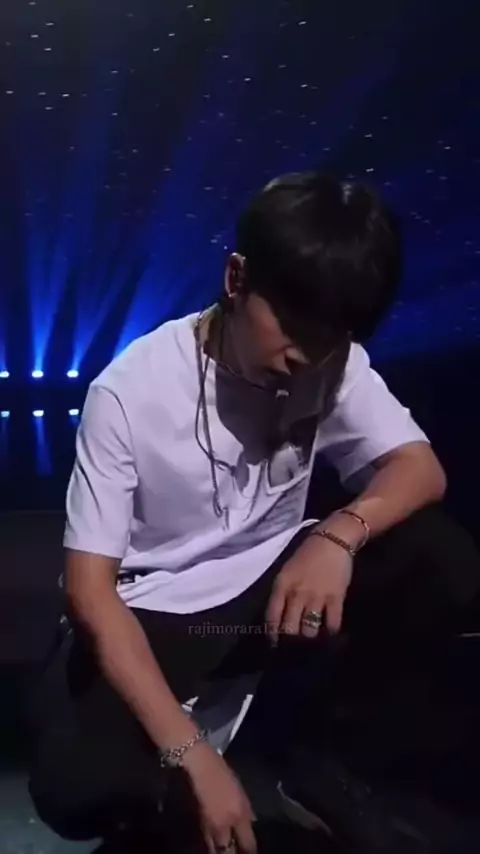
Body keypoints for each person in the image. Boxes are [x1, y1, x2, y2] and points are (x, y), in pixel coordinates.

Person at [29, 172, 451, 853]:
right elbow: (89, 592)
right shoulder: (128, 393)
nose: (305, 357)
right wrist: (190, 753)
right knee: (75, 788)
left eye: (330, 338)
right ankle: (173, 801)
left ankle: (317, 760)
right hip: (157, 608)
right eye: (293, 328)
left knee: (435, 556)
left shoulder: (332, 362)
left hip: (267, 591)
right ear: (236, 278)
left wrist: (336, 537)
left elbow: (420, 468)